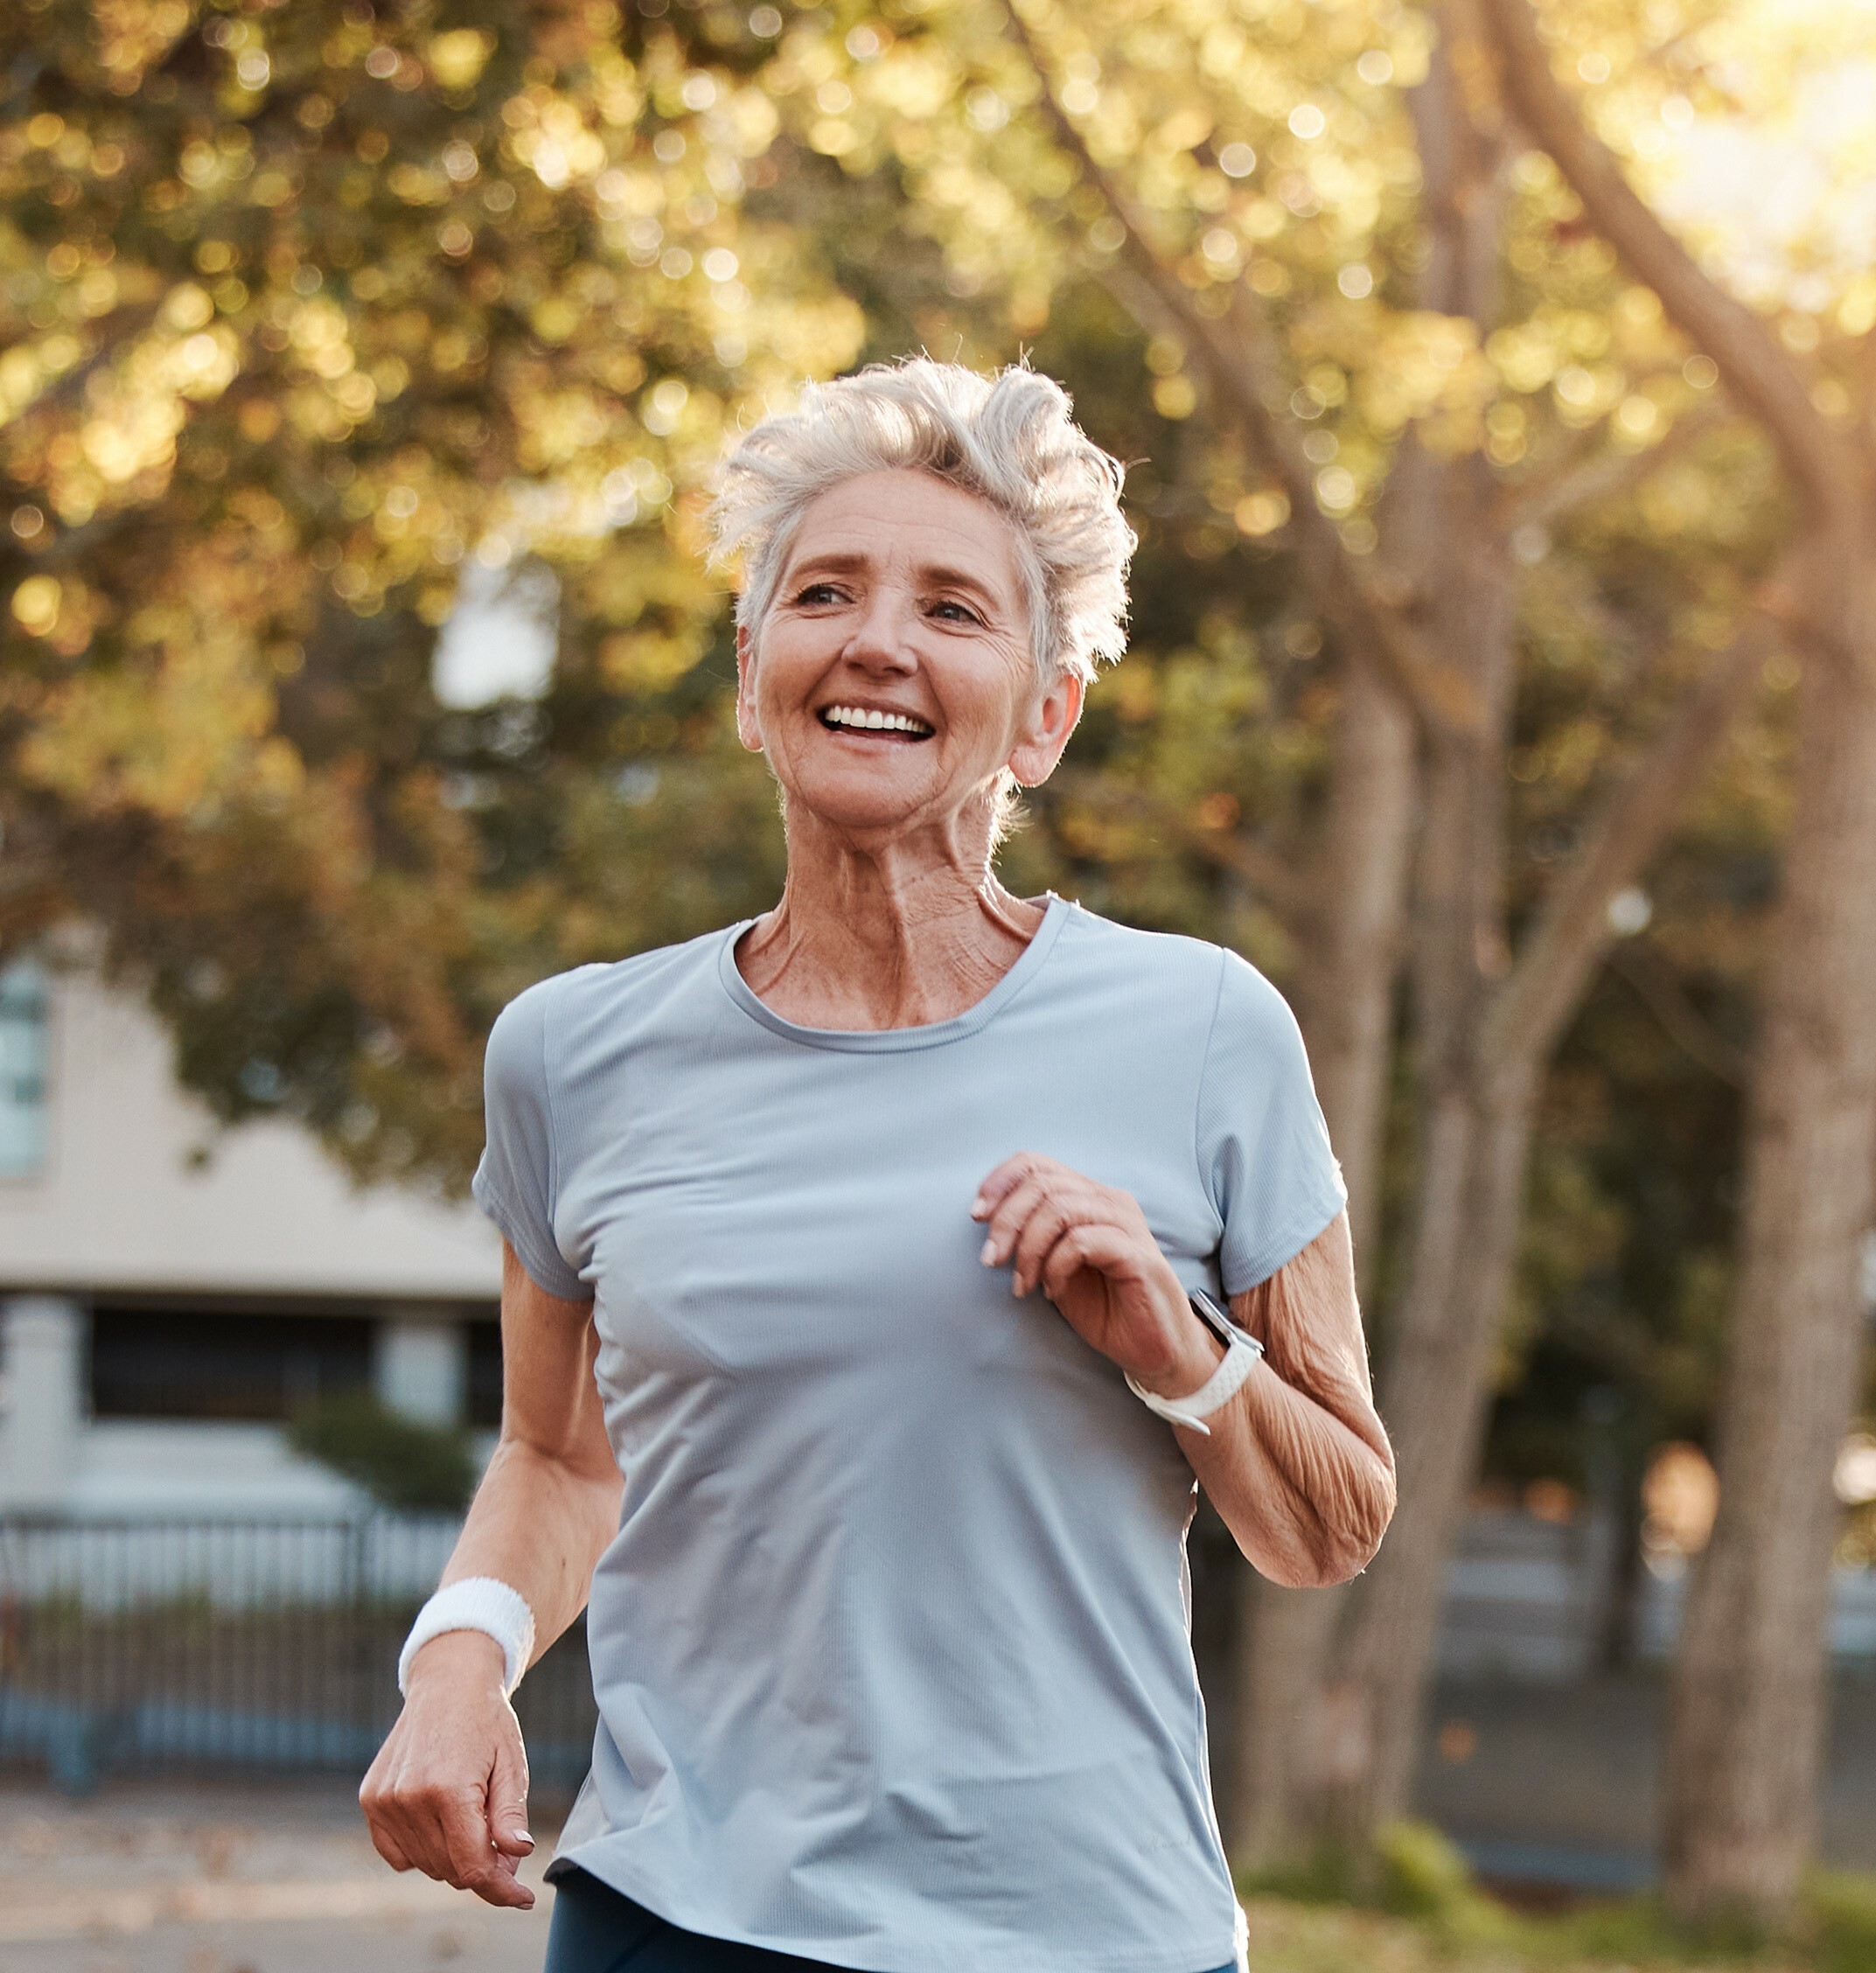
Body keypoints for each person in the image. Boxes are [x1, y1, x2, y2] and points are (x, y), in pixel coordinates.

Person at [360, 359, 1396, 1973]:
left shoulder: (1203, 1027)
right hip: (680, 1917)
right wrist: (457, 1666)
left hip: (1087, 1937)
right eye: (822, 593)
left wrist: (1176, 1351)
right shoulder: (570, 1055)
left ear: (1043, 717)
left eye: (954, 609)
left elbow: (1331, 1523)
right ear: (753, 670)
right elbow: (561, 1460)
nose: (876, 642)